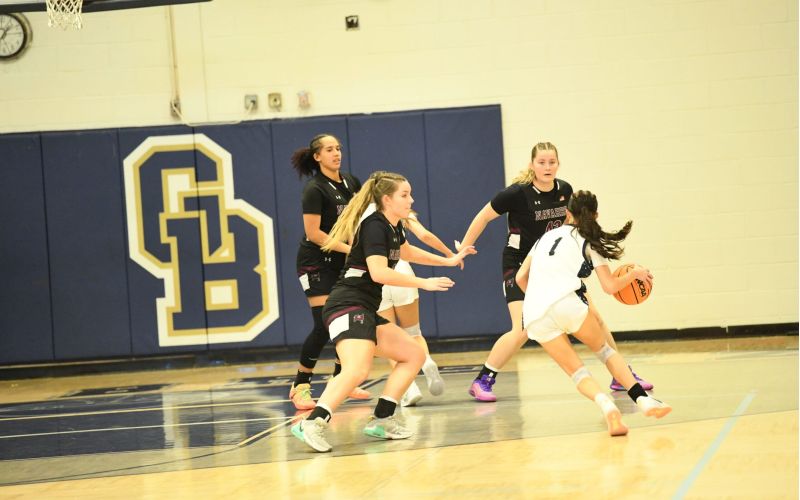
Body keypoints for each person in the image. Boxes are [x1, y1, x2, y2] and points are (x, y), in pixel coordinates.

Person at [291, 171, 476, 453]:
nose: (411, 200)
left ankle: (382, 419)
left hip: (364, 307)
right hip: (347, 304)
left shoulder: (393, 226)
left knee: (413, 354)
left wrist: (448, 261)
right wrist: (423, 282)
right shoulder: (374, 226)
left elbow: (408, 253)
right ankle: (312, 423)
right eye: (405, 195)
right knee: (357, 369)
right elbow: (378, 272)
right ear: (387, 199)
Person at [458, 142, 652, 402]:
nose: (547, 167)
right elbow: (483, 217)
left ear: (558, 164)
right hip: (520, 264)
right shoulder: (516, 193)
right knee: (523, 328)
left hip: (553, 266)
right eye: (541, 162)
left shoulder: (565, 190)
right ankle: (483, 379)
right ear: (532, 165)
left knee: (595, 318)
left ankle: (620, 375)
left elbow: (576, 227)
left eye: (552, 162)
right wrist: (464, 248)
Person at [515, 190, 670, 436]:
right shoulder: (588, 240)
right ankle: (643, 400)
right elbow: (610, 286)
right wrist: (633, 274)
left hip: (535, 313)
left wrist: (539, 299)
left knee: (577, 373)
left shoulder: (544, 238)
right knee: (606, 352)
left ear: (567, 213)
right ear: (595, 215)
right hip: (567, 303)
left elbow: (520, 277)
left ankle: (606, 405)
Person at [288, 133, 370, 411]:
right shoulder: (315, 189)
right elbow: (314, 234)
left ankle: (341, 379)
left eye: (338, 148)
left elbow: (358, 218)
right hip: (315, 262)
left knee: (347, 322)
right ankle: (300, 385)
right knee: (323, 324)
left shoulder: (351, 182)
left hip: (342, 262)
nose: (336, 153)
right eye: (329, 149)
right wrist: (351, 250)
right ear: (317, 156)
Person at [377, 211, 454, 407]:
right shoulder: (401, 211)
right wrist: (448, 254)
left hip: (378, 276)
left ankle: (408, 388)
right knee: (414, 332)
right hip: (403, 272)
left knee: (389, 339)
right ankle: (426, 361)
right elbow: (425, 235)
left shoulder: (360, 214)